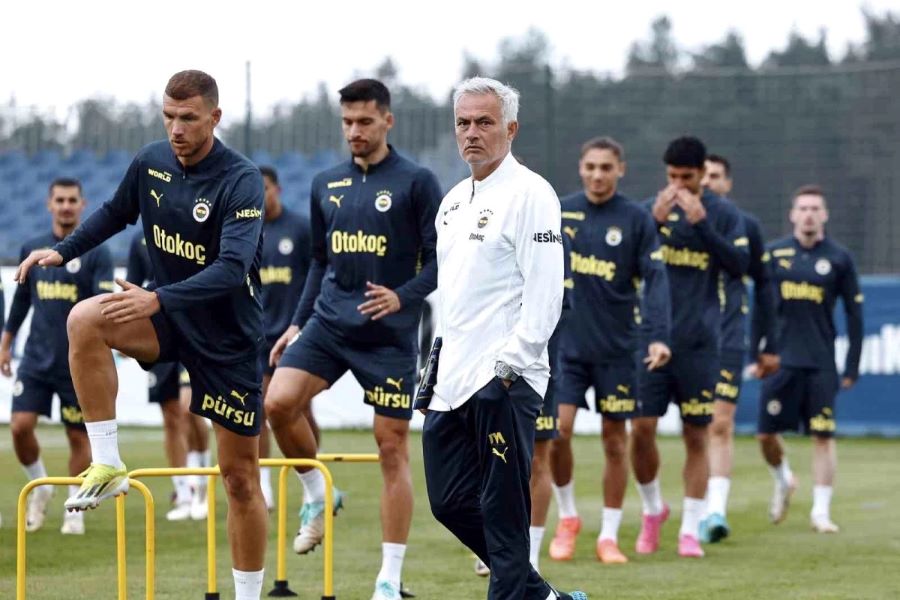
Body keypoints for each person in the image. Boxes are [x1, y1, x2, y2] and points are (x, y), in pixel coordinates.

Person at [15, 70, 269, 600]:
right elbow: (114, 211)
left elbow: (232, 267)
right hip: (168, 315)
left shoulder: (240, 179)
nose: (176, 128)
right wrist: (64, 251)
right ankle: (107, 460)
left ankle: (247, 594)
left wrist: (157, 296)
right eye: (169, 116)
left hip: (227, 335)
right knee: (84, 318)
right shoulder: (151, 160)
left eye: (189, 118)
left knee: (240, 479)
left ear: (215, 119)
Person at [264, 79, 442, 600]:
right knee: (277, 403)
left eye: (364, 121)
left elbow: (440, 260)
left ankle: (388, 579)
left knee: (390, 448)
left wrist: (403, 296)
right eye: (347, 122)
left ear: (388, 121)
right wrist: (296, 323)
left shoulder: (417, 182)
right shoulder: (325, 183)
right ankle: (320, 492)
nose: (354, 131)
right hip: (326, 324)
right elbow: (319, 261)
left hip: (387, 338)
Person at [422, 75, 586, 600]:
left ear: (511, 129)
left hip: (505, 379)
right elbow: (454, 298)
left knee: (503, 509)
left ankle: (522, 590)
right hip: (451, 381)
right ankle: (542, 595)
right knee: (447, 502)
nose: (472, 132)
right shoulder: (450, 203)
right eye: (464, 123)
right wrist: (435, 366)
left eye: (485, 122)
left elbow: (545, 293)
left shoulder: (532, 193)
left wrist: (509, 367)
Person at [547, 137, 671, 564]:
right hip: (567, 348)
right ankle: (567, 518)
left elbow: (656, 281)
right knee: (557, 432)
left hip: (618, 350)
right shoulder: (560, 210)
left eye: (606, 167)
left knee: (615, 442)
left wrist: (657, 335)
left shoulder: (636, 220)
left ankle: (609, 536)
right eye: (591, 167)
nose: (597, 175)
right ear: (580, 168)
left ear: (621, 170)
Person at [634, 136, 748, 558]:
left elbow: (740, 266)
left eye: (687, 177)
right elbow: (627, 265)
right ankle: (652, 511)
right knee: (640, 431)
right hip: (651, 340)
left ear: (703, 173)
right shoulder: (650, 211)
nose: (678, 185)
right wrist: (656, 224)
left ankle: (689, 527)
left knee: (696, 436)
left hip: (701, 344)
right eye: (672, 177)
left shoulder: (722, 214)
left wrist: (701, 224)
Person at [2, 177, 114, 535]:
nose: (66, 206)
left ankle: (74, 508)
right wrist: (6, 341)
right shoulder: (32, 248)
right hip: (35, 360)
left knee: (78, 438)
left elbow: (102, 308)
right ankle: (41, 485)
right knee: (19, 427)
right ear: (49, 204)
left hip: (76, 364)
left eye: (72, 200)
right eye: (60, 200)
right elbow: (21, 301)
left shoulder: (97, 253)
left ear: (83, 205)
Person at [754, 185, 862, 533]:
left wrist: (852, 365)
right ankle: (784, 479)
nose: (809, 214)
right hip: (780, 361)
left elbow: (855, 313)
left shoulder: (840, 258)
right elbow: (760, 307)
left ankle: (820, 511)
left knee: (823, 435)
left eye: (815, 208)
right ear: (792, 214)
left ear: (825, 215)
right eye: (803, 208)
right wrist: (757, 351)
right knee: (765, 435)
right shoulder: (773, 255)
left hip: (820, 361)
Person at [698, 154, 778, 543]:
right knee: (693, 428)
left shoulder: (744, 226)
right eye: (703, 176)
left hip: (728, 337)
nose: (708, 183)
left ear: (727, 183)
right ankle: (667, 508)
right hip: (688, 341)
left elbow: (763, 284)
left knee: (720, 423)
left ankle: (715, 511)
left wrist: (768, 342)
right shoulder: (673, 221)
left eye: (716, 177)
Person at [125, 230, 209, 521]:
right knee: (171, 415)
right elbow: (132, 285)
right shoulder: (139, 241)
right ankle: (183, 494)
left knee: (190, 408)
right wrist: (126, 331)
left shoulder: (191, 227)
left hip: (193, 329)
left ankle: (202, 487)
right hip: (157, 333)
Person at [255, 165, 313, 510]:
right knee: (259, 408)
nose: (260, 196)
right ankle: (264, 486)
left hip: (295, 332)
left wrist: (304, 324)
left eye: (264, 188)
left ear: (276, 189)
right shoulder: (247, 230)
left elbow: (316, 275)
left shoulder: (300, 229)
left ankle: (312, 479)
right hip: (258, 336)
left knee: (300, 409)